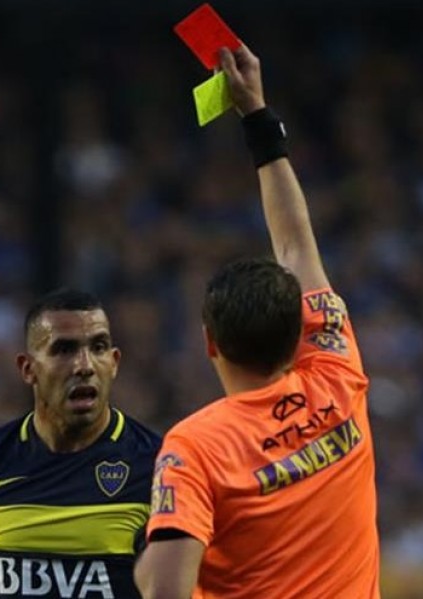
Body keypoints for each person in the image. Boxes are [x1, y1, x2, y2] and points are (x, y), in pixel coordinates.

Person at [134, 43, 380, 598]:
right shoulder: (336, 374)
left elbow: (163, 591)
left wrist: (140, 555)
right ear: (300, 334)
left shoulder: (197, 447)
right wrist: (257, 114)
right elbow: (295, 246)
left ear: (210, 343)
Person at [0, 288, 162, 598]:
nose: (84, 365)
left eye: (98, 347)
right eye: (64, 350)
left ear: (114, 362)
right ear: (28, 368)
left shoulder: (157, 466)